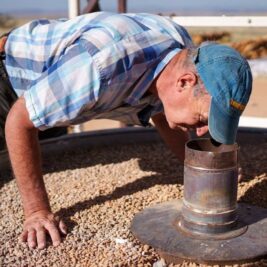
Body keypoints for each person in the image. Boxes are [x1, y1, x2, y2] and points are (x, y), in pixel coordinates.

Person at [0, 12, 252, 249]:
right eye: (201, 119)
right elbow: (19, 120)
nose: (201, 132)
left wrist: (201, 171)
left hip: (57, 89)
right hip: (11, 76)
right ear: (185, 82)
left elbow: (161, 111)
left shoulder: (181, 57)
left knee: (45, 137)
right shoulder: (100, 65)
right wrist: (37, 211)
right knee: (23, 138)